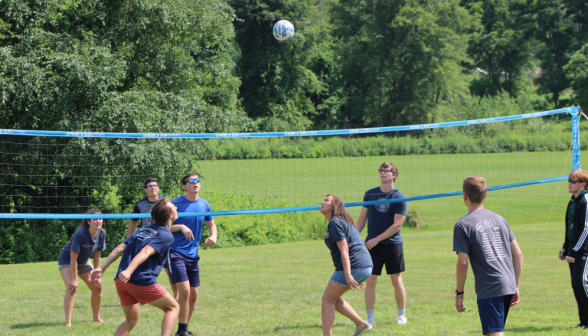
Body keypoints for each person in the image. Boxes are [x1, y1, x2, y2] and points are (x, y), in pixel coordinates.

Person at [91, 198, 180, 336]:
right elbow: (145, 252)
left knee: (131, 319)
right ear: (169, 215)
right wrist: (129, 270)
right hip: (138, 279)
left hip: (121, 281)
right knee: (173, 307)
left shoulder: (143, 229)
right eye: (174, 207)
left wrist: (102, 268)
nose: (176, 208)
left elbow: (120, 247)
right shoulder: (166, 235)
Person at [453, 176, 523, 336]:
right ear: (485, 195)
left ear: (464, 196)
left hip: (490, 288)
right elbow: (518, 254)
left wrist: (459, 293)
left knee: (495, 333)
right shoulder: (500, 219)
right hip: (508, 284)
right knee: (490, 332)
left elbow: (463, 264)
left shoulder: (463, 225)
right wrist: (515, 285)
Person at [356, 162, 408, 325]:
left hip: (392, 244)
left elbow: (397, 225)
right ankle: (370, 318)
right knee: (370, 280)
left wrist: (376, 239)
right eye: (381, 170)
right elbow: (363, 217)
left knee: (396, 280)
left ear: (394, 175)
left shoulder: (399, 197)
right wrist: (355, 237)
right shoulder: (370, 194)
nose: (383, 173)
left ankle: (401, 315)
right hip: (371, 246)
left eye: (387, 171)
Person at [169, 173, 218, 336]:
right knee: (184, 291)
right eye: (191, 181)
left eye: (197, 181)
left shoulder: (204, 204)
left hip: (192, 254)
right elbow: (163, 226)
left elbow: (211, 224)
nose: (195, 183)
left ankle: (183, 328)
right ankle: (181, 331)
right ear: (184, 186)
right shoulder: (175, 204)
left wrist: (213, 236)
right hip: (175, 252)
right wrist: (181, 226)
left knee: (193, 294)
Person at [320, 194, 374, 336]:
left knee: (327, 299)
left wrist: (349, 274)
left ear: (334, 206)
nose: (322, 202)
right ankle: (361, 324)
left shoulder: (336, 222)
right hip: (365, 266)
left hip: (356, 266)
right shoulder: (342, 221)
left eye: (326, 200)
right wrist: (359, 273)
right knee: (333, 298)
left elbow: (345, 249)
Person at [57, 208, 106, 326]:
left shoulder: (102, 233)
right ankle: (68, 323)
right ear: (88, 222)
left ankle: (96, 318)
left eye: (100, 219)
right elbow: (73, 258)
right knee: (71, 288)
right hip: (67, 260)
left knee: (97, 287)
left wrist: (96, 274)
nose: (98, 221)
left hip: (83, 261)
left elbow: (97, 254)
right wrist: (74, 278)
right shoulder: (80, 233)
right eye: (95, 219)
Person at [560, 169, 588, 328]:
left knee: (581, 282)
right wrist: (565, 247)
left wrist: (575, 251)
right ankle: (584, 321)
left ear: (583, 184)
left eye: (573, 181)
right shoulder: (572, 202)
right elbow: (569, 228)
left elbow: (586, 229)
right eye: (569, 180)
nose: (569, 183)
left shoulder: (585, 201)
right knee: (575, 285)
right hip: (572, 249)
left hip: (583, 251)